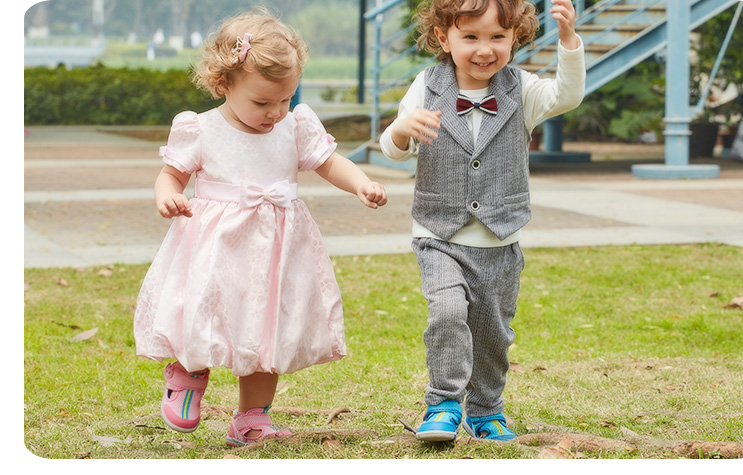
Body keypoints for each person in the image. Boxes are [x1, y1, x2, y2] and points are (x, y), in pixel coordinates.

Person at [133, 10, 388, 447]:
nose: (275, 112)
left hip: (277, 250)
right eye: (262, 102)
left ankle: (251, 416)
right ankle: (187, 375)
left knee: (266, 328)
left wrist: (361, 183)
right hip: (217, 246)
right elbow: (171, 175)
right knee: (207, 316)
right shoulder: (201, 128)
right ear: (224, 84)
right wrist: (166, 196)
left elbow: (329, 163)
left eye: (284, 100)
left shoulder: (295, 126)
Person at [379, 0, 584, 442]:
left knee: (493, 333)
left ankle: (487, 410)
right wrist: (402, 129)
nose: (484, 49)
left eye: (496, 37)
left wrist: (568, 42)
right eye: (470, 37)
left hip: (499, 238)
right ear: (443, 38)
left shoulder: (522, 89)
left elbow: (566, 95)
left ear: (515, 37)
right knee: (447, 313)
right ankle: (443, 404)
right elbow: (392, 148)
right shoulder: (426, 86)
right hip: (438, 233)